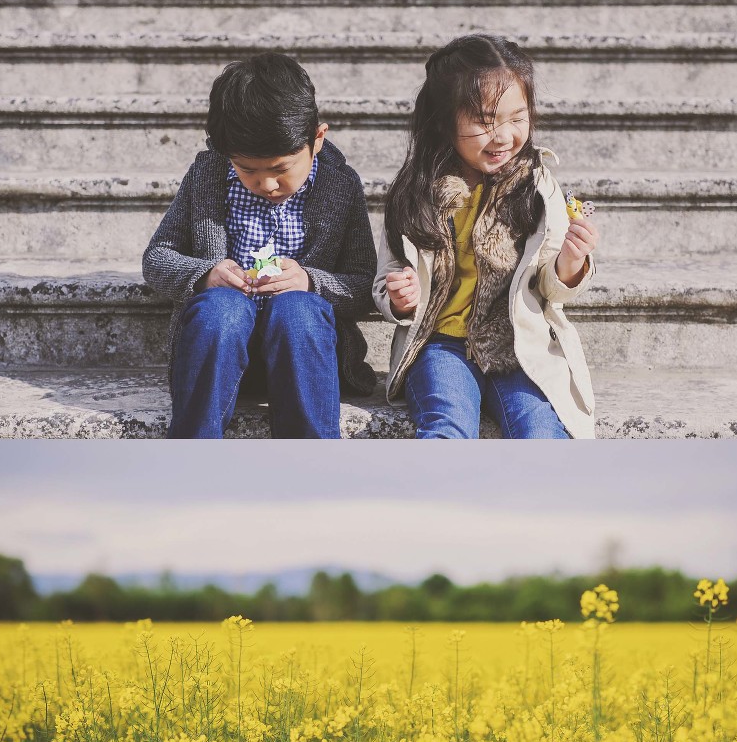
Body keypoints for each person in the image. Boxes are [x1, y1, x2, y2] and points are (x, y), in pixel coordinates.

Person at [373, 34, 599, 439]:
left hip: (516, 346)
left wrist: (568, 266)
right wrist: (398, 298)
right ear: (445, 121)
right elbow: (388, 273)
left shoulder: (538, 188)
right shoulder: (419, 192)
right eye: (484, 121)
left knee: (542, 430)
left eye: (517, 118)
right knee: (448, 424)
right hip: (439, 342)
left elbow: (549, 286)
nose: (503, 136)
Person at [142, 54, 377, 439]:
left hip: (306, 356)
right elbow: (157, 259)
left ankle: (311, 465)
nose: (266, 184)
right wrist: (205, 275)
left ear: (317, 139)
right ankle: (190, 455)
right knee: (221, 308)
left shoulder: (341, 185)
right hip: (224, 355)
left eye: (281, 169)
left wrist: (309, 281)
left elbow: (363, 281)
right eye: (248, 170)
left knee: (297, 309)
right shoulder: (208, 176)